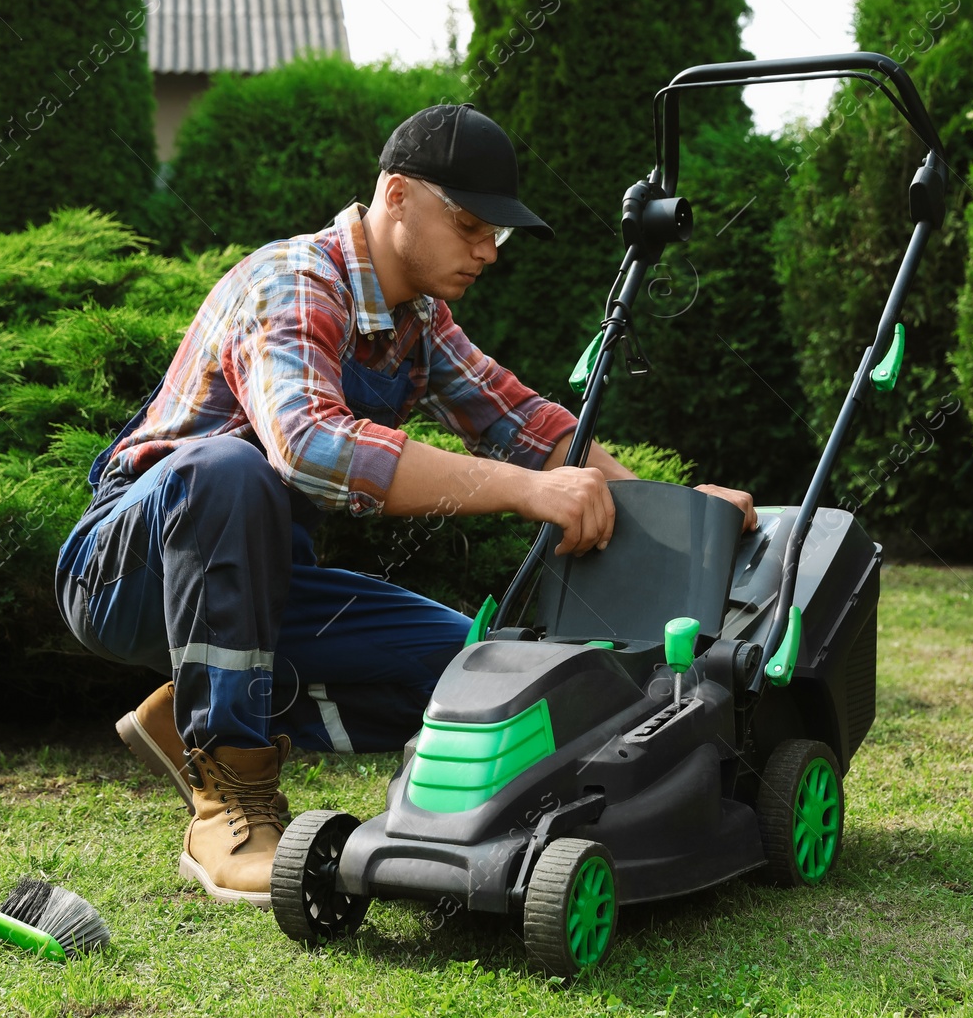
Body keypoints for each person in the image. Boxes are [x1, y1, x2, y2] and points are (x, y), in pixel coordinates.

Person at [54, 103, 757, 908]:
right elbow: (309, 446)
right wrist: (524, 493)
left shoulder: (418, 321)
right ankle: (228, 801)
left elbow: (522, 422)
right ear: (395, 196)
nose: (488, 251)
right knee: (229, 470)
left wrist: (667, 508)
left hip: (259, 588)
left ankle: (193, 712)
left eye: (500, 233)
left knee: (470, 676)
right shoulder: (293, 281)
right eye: (469, 224)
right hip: (126, 567)